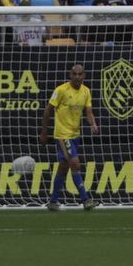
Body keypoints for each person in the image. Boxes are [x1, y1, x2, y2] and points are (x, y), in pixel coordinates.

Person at [39, 63, 100, 212]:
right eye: (74, 74)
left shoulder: (86, 91)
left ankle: (53, 202)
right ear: (70, 75)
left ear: (84, 76)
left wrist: (93, 124)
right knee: (75, 164)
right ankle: (86, 200)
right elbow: (48, 110)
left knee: (63, 168)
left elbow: (88, 112)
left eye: (80, 74)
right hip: (62, 134)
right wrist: (44, 132)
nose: (77, 77)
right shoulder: (61, 90)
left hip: (75, 135)